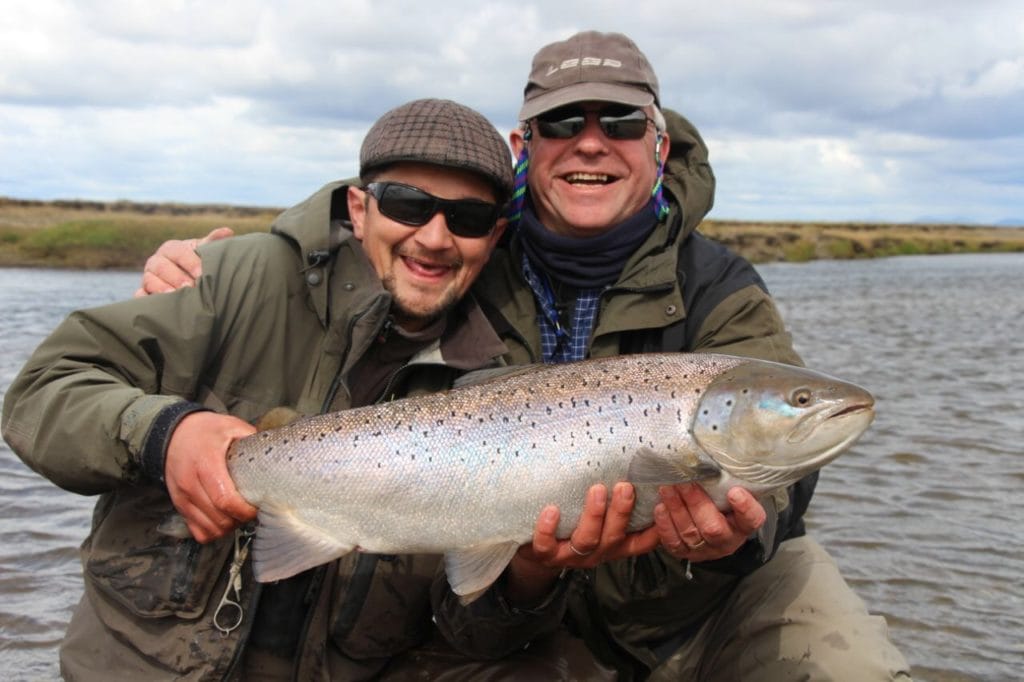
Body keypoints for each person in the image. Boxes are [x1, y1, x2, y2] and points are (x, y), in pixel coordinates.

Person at [135, 32, 913, 681]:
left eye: (620, 123)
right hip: (504, 609)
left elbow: (783, 479)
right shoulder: (460, 251)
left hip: (681, 605)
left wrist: (740, 530)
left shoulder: (719, 288)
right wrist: (209, 272)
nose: (590, 142)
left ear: (660, 142)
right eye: (562, 122)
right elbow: (354, 230)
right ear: (523, 146)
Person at [2, 98, 627, 681]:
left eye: (466, 218)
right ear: (359, 208)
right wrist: (165, 434)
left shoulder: (500, 381)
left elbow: (469, 636)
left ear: (492, 238)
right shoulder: (230, 278)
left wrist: (531, 572)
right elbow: (40, 393)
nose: (435, 238)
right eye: (407, 205)